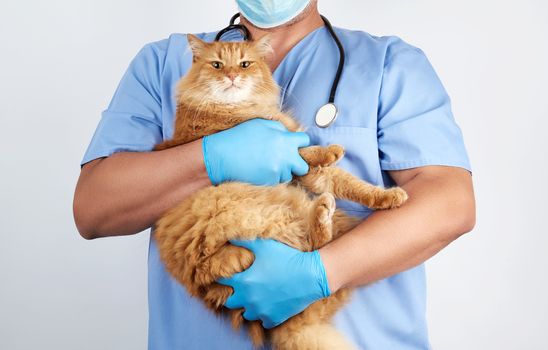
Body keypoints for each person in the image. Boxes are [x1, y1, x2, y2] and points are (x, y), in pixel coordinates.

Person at [73, 0, 475, 348]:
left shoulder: (388, 64)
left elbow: (451, 203)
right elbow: (93, 208)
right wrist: (208, 159)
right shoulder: (164, 64)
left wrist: (321, 272)